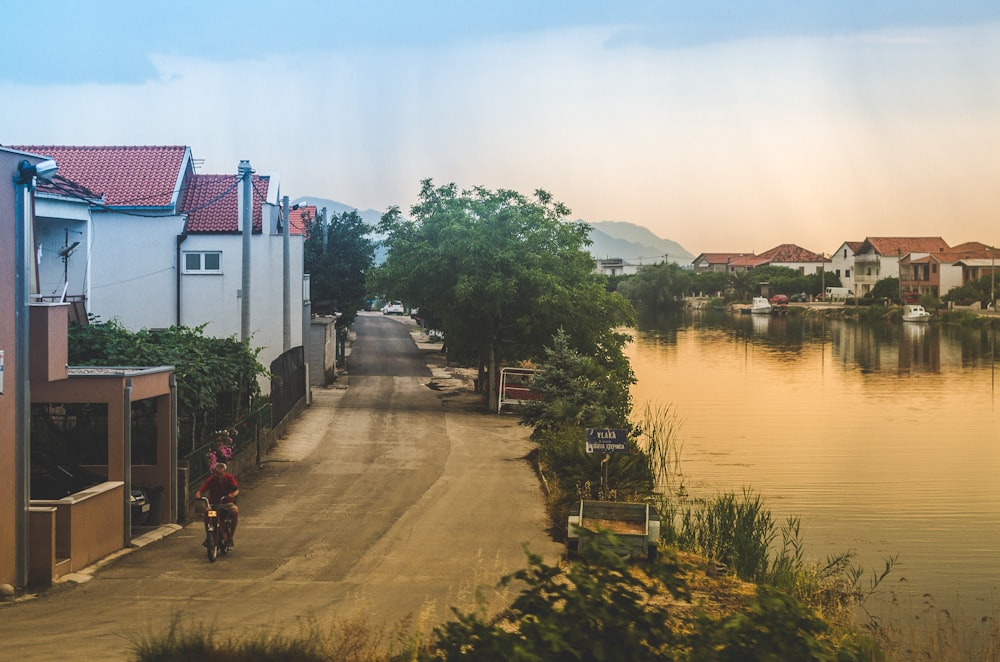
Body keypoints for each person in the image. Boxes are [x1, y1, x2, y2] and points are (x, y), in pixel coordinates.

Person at [195, 462, 240, 547]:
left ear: (224, 472)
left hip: (227, 504)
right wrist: (198, 493)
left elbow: (236, 489)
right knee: (208, 513)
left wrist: (233, 494)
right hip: (214, 505)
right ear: (215, 473)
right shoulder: (211, 479)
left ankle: (230, 537)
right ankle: (208, 536)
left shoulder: (229, 478)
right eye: (217, 474)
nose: (219, 476)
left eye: (221, 474)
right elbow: (203, 487)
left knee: (235, 511)